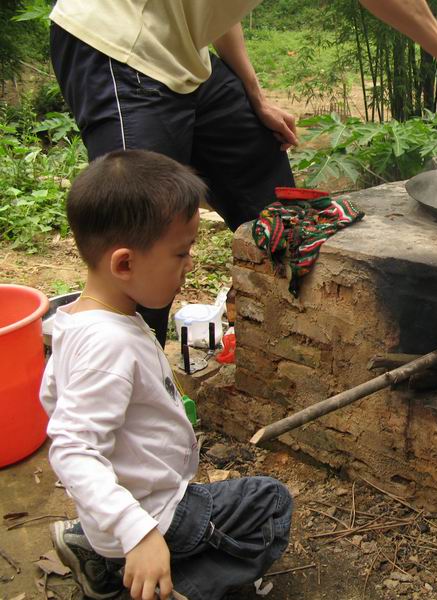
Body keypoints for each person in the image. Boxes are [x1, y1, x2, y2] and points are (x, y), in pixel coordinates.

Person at [48, 0, 437, 347]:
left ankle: (289, 346)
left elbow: (219, 11)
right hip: (118, 45)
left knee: (273, 207)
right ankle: (122, 400)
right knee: (142, 229)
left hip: (188, 56)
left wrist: (254, 95)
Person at [40, 149, 293, 600]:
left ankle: (98, 551)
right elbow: (73, 446)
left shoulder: (80, 320)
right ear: (124, 264)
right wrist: (138, 533)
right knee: (271, 503)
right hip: (155, 512)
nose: (190, 264)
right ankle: (157, 587)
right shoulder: (107, 343)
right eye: (181, 252)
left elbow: (56, 401)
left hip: (127, 509)